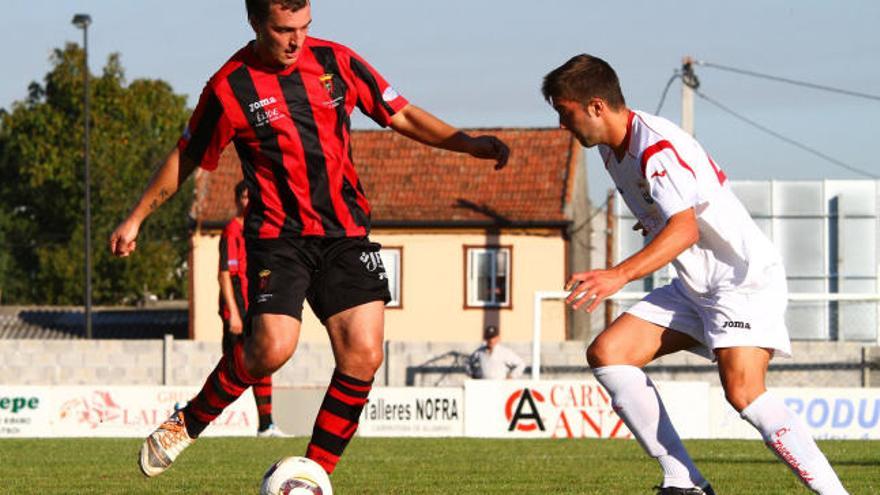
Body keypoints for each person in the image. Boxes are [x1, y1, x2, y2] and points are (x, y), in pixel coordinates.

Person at [109, 0, 509, 479]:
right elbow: (187, 156)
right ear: (256, 23)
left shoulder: (337, 61)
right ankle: (188, 422)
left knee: (364, 353)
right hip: (280, 238)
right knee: (272, 349)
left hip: (345, 233)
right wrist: (136, 218)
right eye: (283, 30)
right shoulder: (229, 87)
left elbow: (400, 114)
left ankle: (310, 477)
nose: (296, 40)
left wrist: (466, 143)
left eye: (304, 27)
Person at [543, 54, 847, 495]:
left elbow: (684, 228)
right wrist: (654, 217)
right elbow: (680, 212)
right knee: (609, 353)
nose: (561, 125)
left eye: (564, 113)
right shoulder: (612, 151)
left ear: (595, 106)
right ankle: (684, 481)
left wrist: (619, 275)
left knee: (743, 392)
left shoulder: (654, 148)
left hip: (740, 280)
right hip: (695, 285)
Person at [218, 181, 284, 437]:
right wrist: (233, 312)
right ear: (237, 201)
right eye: (243, 197)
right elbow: (225, 275)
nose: (247, 202)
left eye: (250, 197)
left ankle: (266, 424)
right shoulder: (231, 231)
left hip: (255, 306)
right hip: (237, 308)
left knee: (263, 361)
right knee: (233, 366)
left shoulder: (256, 231)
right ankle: (196, 411)